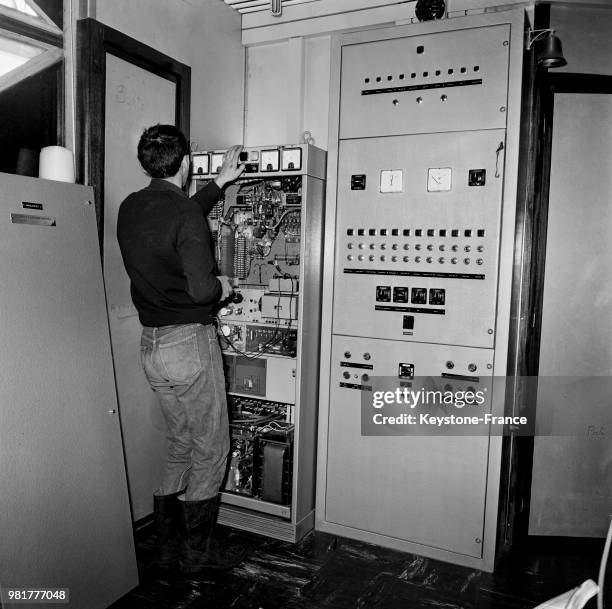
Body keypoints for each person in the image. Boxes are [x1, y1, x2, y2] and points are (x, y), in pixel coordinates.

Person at [117, 124, 245, 573]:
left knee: (180, 442)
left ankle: (169, 547)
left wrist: (220, 184)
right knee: (212, 447)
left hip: (151, 346)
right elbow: (201, 289)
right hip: (188, 343)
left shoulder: (131, 207)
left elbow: (177, 219)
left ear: (146, 163)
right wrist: (225, 286)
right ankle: (198, 556)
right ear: (186, 162)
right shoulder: (184, 215)